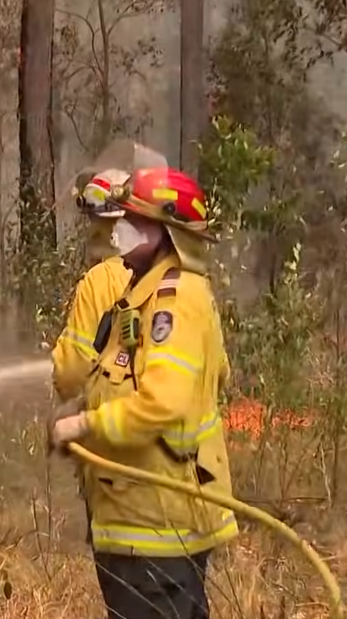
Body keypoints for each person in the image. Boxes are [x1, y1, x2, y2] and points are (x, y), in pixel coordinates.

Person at [47, 167, 237, 619]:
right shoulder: (142, 295)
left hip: (157, 526)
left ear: (167, 233)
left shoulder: (175, 300)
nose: (119, 235)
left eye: (134, 223)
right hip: (139, 520)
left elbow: (164, 402)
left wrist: (86, 424)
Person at [50, 168, 133, 401]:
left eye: (94, 221)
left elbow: (72, 374)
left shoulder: (99, 282)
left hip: (110, 423)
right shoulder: (178, 277)